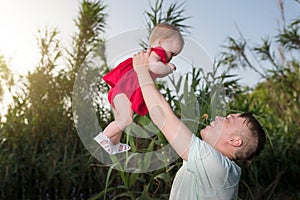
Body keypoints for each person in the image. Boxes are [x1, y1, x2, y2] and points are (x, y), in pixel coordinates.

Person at [132, 50, 266, 199]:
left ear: (235, 141)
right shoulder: (221, 170)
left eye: (228, 120)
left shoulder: (215, 166)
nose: (220, 117)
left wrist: (142, 71)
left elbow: (162, 117)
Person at [93, 23, 184, 154]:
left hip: (121, 89)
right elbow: (154, 66)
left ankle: (114, 143)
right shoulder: (157, 53)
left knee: (120, 121)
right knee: (126, 119)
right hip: (125, 90)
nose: (171, 57)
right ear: (161, 42)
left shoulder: (153, 55)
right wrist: (169, 68)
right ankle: (104, 137)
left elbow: (157, 70)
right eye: (172, 53)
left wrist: (164, 68)